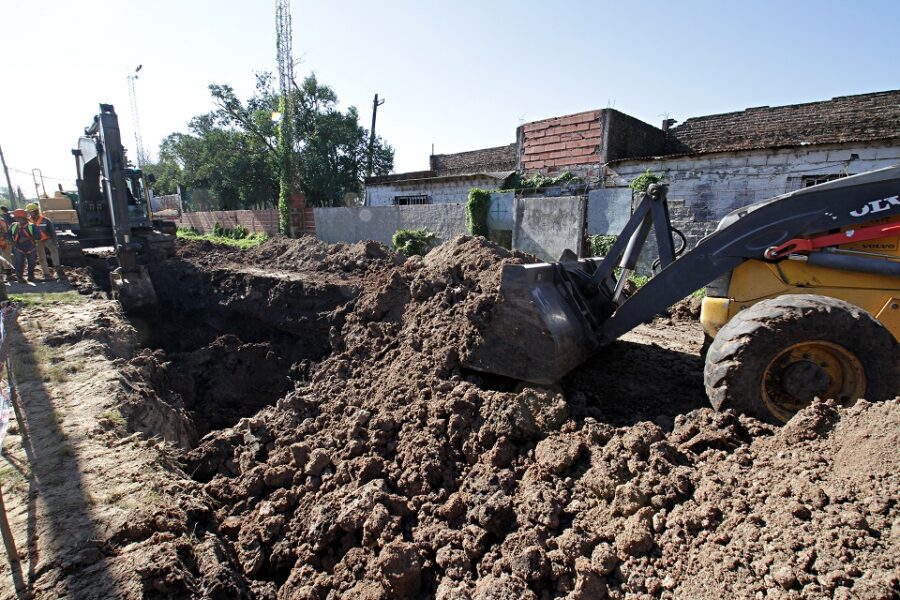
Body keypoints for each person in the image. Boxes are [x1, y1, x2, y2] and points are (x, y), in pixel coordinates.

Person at [26, 202, 61, 280]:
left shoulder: (45, 220)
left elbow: (52, 231)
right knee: (41, 257)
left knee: (54, 253)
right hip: (37, 241)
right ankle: (46, 274)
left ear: (36, 211)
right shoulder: (28, 221)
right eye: (29, 212)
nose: (30, 213)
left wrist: (55, 241)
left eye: (31, 211)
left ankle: (59, 272)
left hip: (47, 239)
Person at [9, 209, 38, 283]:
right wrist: (12, 242)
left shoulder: (32, 226)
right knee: (19, 263)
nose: (15, 219)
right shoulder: (13, 225)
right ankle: (20, 278)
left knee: (32, 263)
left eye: (16, 217)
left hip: (30, 248)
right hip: (18, 248)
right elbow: (8, 235)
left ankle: (30, 277)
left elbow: (39, 236)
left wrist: (27, 238)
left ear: (21, 218)